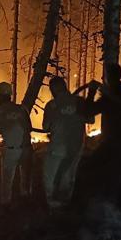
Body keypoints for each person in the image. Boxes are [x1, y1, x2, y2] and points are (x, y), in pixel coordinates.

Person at [42, 77, 92, 210]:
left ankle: (54, 207)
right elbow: (91, 119)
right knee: (69, 175)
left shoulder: (51, 105)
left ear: (53, 89)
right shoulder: (80, 102)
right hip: (76, 147)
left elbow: (45, 127)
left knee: (51, 176)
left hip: (57, 147)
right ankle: (66, 205)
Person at [0, 82, 33, 207]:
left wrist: (3, 128)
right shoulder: (22, 109)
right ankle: (26, 202)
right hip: (26, 149)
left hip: (10, 151)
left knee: (7, 180)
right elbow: (29, 128)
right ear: (10, 95)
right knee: (26, 179)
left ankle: (6, 205)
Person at [86, 62, 121, 143]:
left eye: (105, 75)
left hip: (111, 142)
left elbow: (89, 111)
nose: (102, 77)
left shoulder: (107, 98)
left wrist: (91, 92)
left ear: (108, 77)